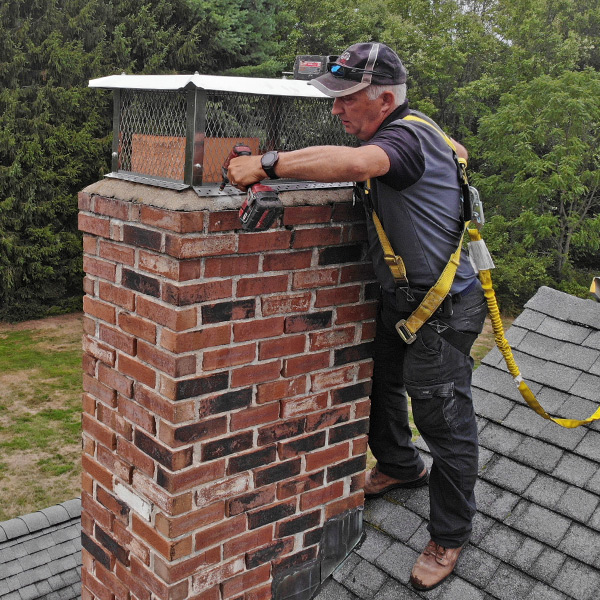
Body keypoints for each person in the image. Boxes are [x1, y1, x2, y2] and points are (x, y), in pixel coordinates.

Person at [228, 42, 488, 591]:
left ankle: (449, 535)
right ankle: (399, 465)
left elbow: (359, 164)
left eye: (346, 99)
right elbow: (439, 152)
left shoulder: (403, 139)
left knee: (443, 420)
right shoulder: (415, 132)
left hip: (441, 313)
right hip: (406, 302)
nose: (336, 110)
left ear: (386, 98)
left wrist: (266, 164)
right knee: (379, 385)